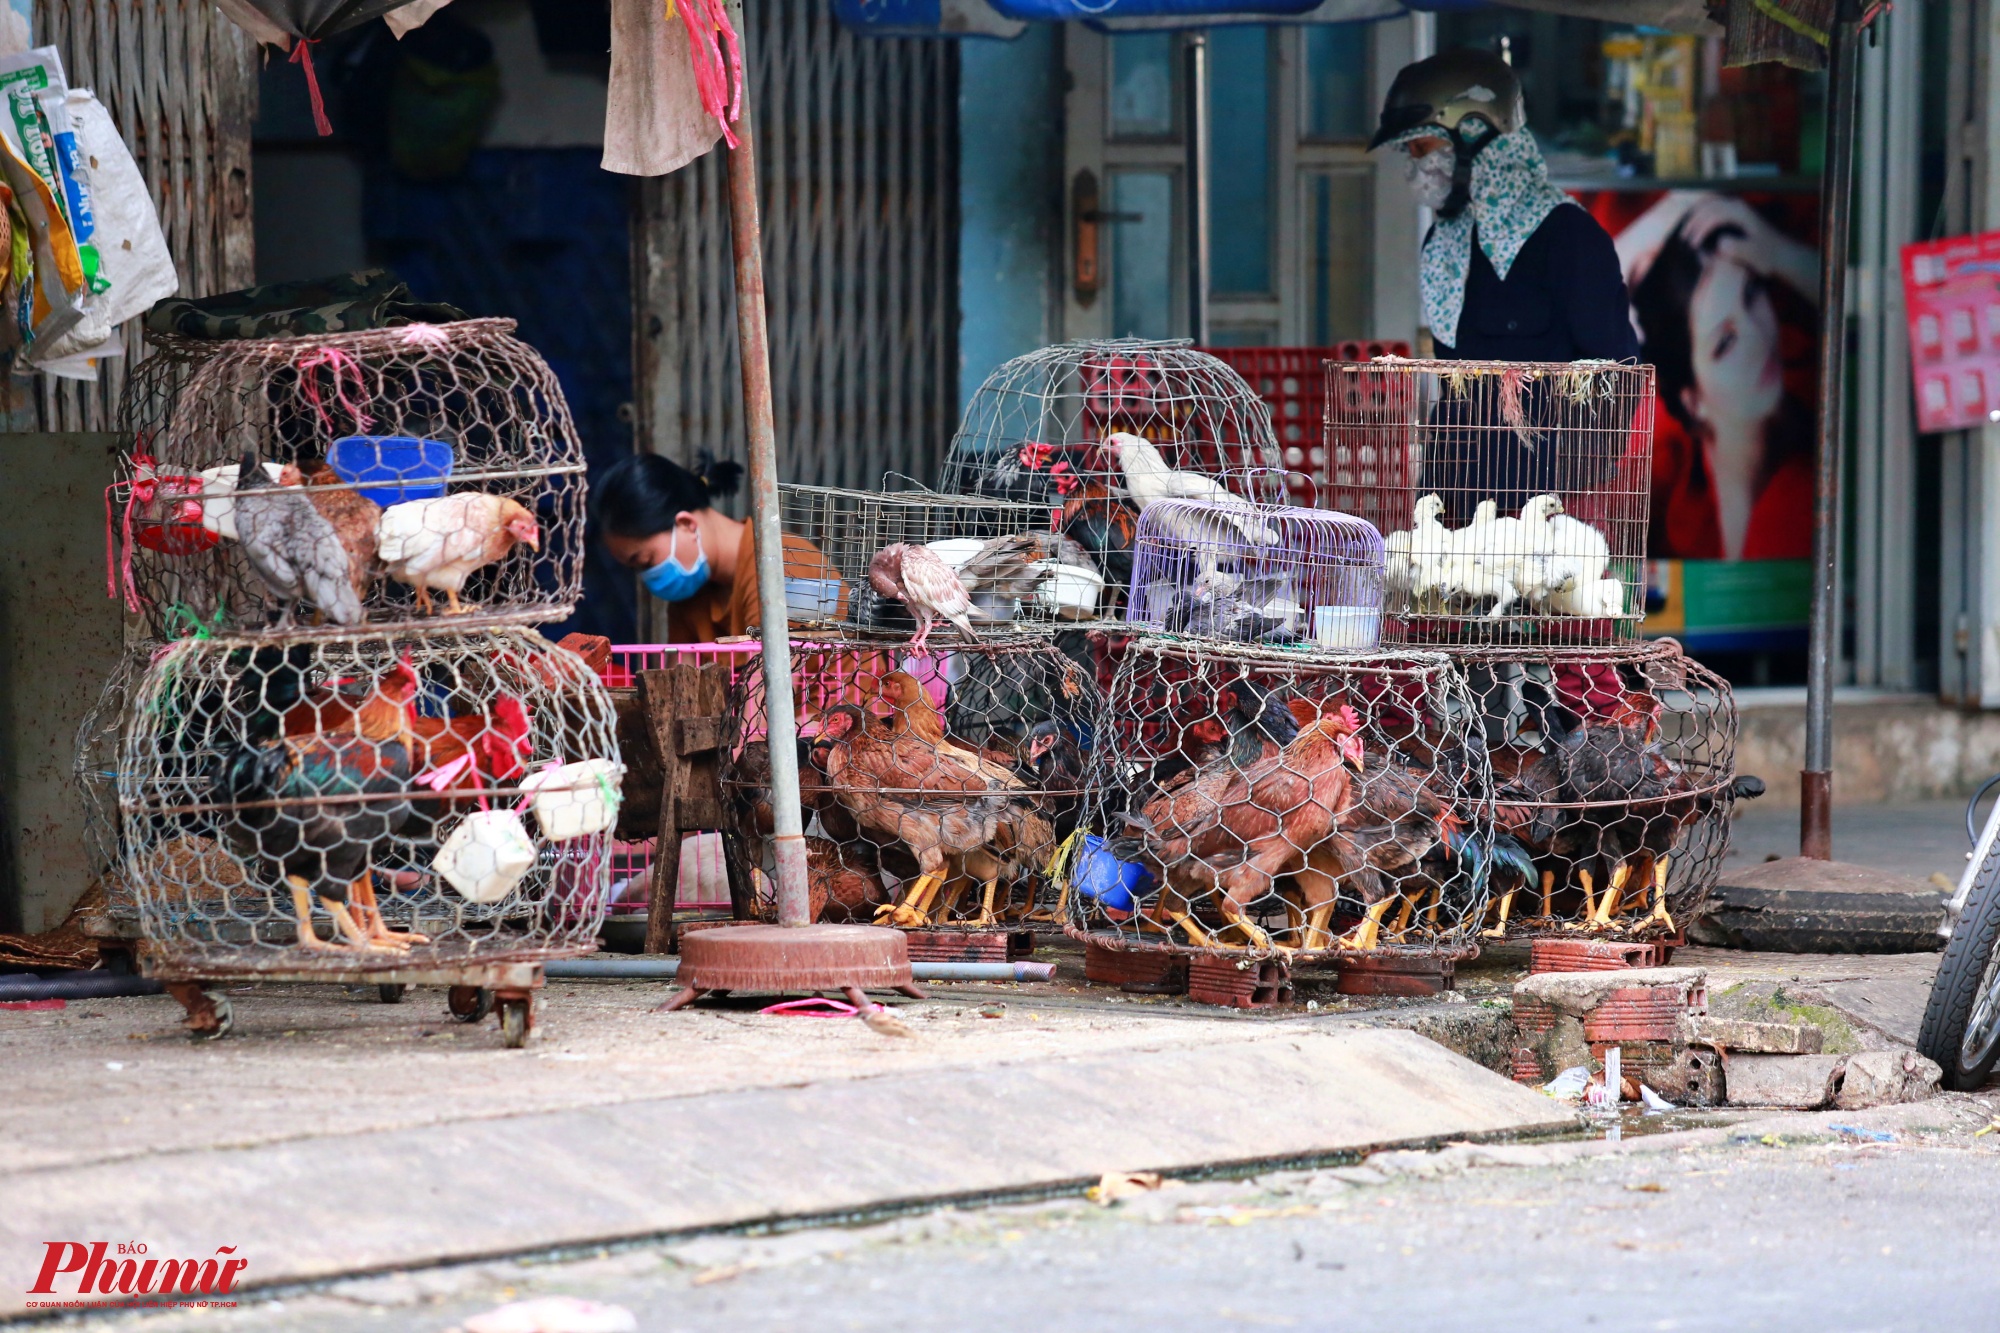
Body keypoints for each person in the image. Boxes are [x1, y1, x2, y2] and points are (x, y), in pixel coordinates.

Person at [1369, 49, 1640, 516]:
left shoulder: (1567, 235)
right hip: (1452, 505)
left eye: (1421, 148)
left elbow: (1617, 376)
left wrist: (1559, 499)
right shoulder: (1447, 240)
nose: (1413, 168)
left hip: (1540, 516)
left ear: (1472, 135)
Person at [1621, 194, 1819, 560]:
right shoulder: (1667, 493)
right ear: (1693, 400)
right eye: (1725, 342)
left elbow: (1867, 308)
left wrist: (1778, 255)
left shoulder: (1819, 429)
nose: (1758, 337)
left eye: (1751, 294)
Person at [596, 451, 836, 643]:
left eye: (646, 562)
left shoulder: (784, 563)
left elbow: (776, 690)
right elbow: (678, 692)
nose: (648, 578)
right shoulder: (690, 599)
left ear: (687, 524)